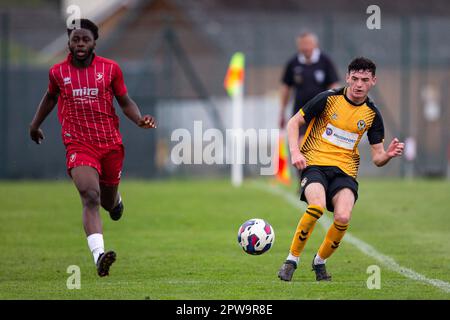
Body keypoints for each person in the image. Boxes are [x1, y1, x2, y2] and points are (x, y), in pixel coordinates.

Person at [29, 19, 156, 277]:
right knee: (90, 196)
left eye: (85, 39)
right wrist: (35, 125)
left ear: (94, 42)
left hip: (109, 144)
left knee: (108, 202)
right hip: (78, 144)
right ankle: (99, 256)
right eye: (75, 39)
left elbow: (124, 100)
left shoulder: (110, 69)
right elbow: (51, 97)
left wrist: (139, 119)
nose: (80, 44)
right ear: (69, 41)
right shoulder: (57, 73)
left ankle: (116, 201)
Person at [277, 57, 404, 282]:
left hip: (344, 172)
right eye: (354, 78)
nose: (358, 84)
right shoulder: (328, 99)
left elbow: (377, 158)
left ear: (373, 81)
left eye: (365, 80)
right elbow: (293, 122)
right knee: (315, 206)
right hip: (314, 163)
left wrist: (387, 155)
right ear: (347, 78)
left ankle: (319, 262)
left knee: (343, 217)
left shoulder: (372, 115)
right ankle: (291, 260)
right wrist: (296, 153)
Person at [279, 32, 340, 140]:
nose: (305, 47)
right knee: (300, 143)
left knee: (318, 144)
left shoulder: (325, 61)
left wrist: (335, 109)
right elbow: (286, 88)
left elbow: (334, 86)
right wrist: (282, 112)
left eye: (307, 43)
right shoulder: (293, 63)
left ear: (315, 44)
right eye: (302, 44)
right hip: (300, 112)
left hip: (321, 112)